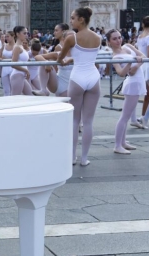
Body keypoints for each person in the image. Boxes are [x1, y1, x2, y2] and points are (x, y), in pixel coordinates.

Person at [57, 7, 101, 166]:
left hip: (77, 78)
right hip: (93, 77)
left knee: (75, 121)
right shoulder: (98, 37)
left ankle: (72, 157)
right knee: (88, 121)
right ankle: (84, 158)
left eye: (73, 18)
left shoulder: (71, 38)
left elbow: (60, 58)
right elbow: (86, 57)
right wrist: (72, 59)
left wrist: (66, 60)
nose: (70, 21)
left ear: (81, 19)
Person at [107, 29, 145, 154]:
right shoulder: (115, 56)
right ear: (109, 42)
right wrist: (132, 64)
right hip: (132, 84)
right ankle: (117, 145)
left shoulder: (128, 46)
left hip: (137, 82)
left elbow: (143, 56)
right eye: (114, 39)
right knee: (124, 116)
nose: (118, 40)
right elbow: (123, 73)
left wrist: (137, 61)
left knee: (126, 116)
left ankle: (123, 142)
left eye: (119, 37)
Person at [10, 26, 33, 95]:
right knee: (15, 98)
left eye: (27, 33)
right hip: (18, 74)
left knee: (30, 95)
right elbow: (13, 64)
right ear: (17, 34)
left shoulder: (21, 46)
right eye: (24, 33)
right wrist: (26, 70)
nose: (26, 35)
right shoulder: (17, 47)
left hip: (21, 75)